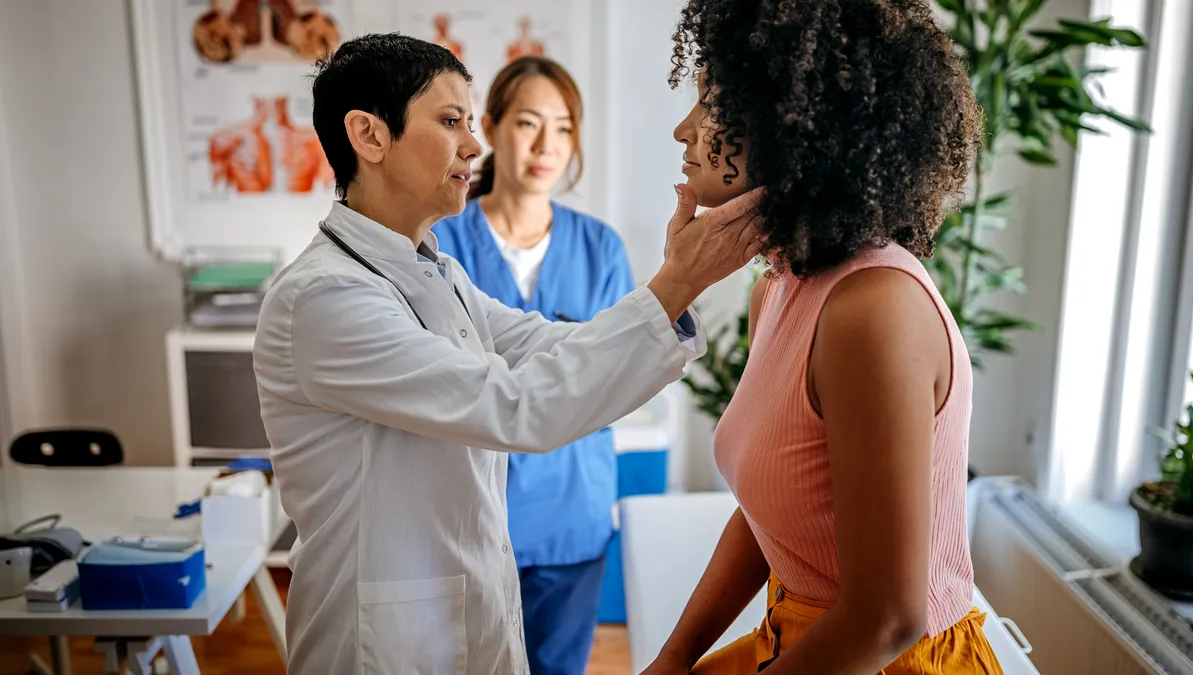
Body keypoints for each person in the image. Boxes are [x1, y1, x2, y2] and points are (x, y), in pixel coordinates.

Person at [252, 33, 763, 675]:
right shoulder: (325, 299)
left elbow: (548, 344)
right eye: (450, 122)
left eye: (470, 122)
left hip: (468, 613)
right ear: (369, 135)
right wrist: (677, 283)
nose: (474, 145)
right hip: (383, 642)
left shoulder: (436, 273)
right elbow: (514, 407)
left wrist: (675, 289)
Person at [641, 1, 1002, 674]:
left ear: (793, 125)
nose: (683, 131)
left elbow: (889, 619)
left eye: (712, 106)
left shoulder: (874, 310)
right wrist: (673, 656)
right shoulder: (778, 287)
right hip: (802, 635)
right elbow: (775, 510)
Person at [432, 56, 630, 675]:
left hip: (573, 513)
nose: (548, 146)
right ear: (489, 126)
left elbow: (619, 377)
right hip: (466, 519)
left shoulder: (601, 248)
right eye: (527, 123)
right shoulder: (444, 241)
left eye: (564, 127)